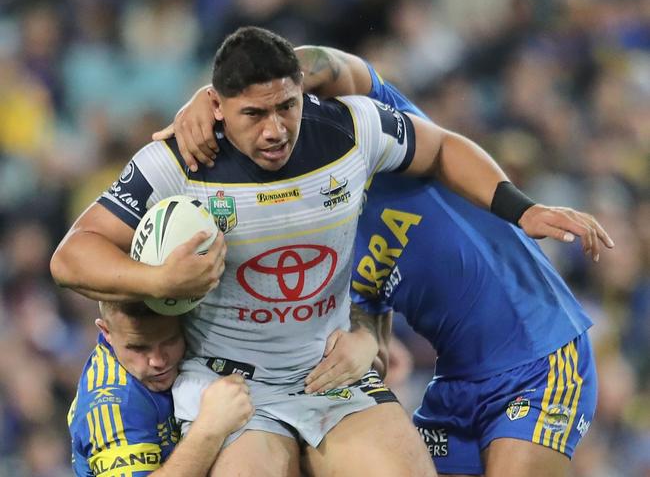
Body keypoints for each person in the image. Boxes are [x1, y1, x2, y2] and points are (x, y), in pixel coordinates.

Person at [51, 27, 611, 477]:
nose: (275, 130)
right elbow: (71, 255)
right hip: (234, 384)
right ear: (220, 108)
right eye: (252, 114)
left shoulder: (351, 127)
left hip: (489, 357)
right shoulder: (180, 161)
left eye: (286, 107)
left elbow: (434, 142)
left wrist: (519, 207)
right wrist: (160, 283)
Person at [68, 301, 253, 476]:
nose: (158, 361)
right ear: (107, 332)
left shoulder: (195, 333)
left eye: (170, 341)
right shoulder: (111, 407)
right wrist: (211, 428)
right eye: (139, 348)